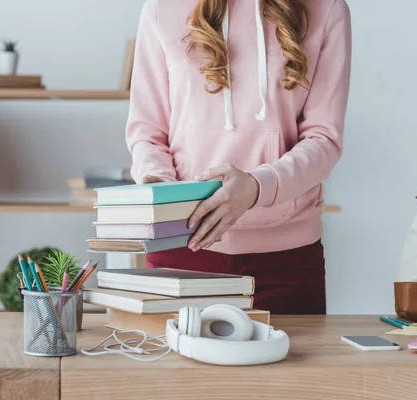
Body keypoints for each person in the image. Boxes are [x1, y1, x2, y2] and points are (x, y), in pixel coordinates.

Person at [126, 0, 351, 314]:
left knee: (290, 363)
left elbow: (323, 139)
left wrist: (257, 188)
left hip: (284, 259)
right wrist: (161, 188)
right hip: (182, 248)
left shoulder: (326, 9)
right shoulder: (163, 8)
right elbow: (146, 131)